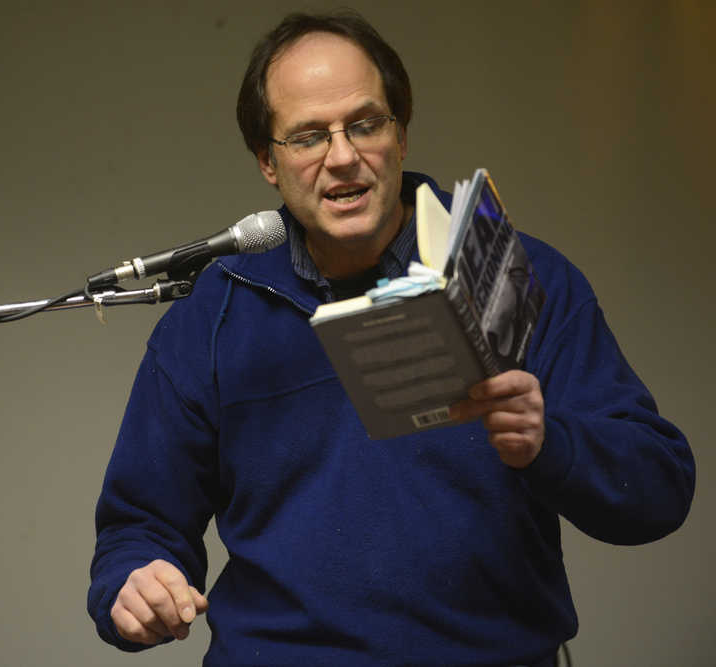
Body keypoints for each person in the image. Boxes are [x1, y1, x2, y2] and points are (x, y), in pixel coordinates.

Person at [87, 11, 695, 666]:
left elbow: (658, 488)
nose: (342, 156)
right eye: (308, 137)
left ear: (401, 132)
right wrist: (134, 586)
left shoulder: (520, 274)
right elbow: (137, 528)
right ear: (268, 161)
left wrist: (550, 444)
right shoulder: (213, 316)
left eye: (365, 124)